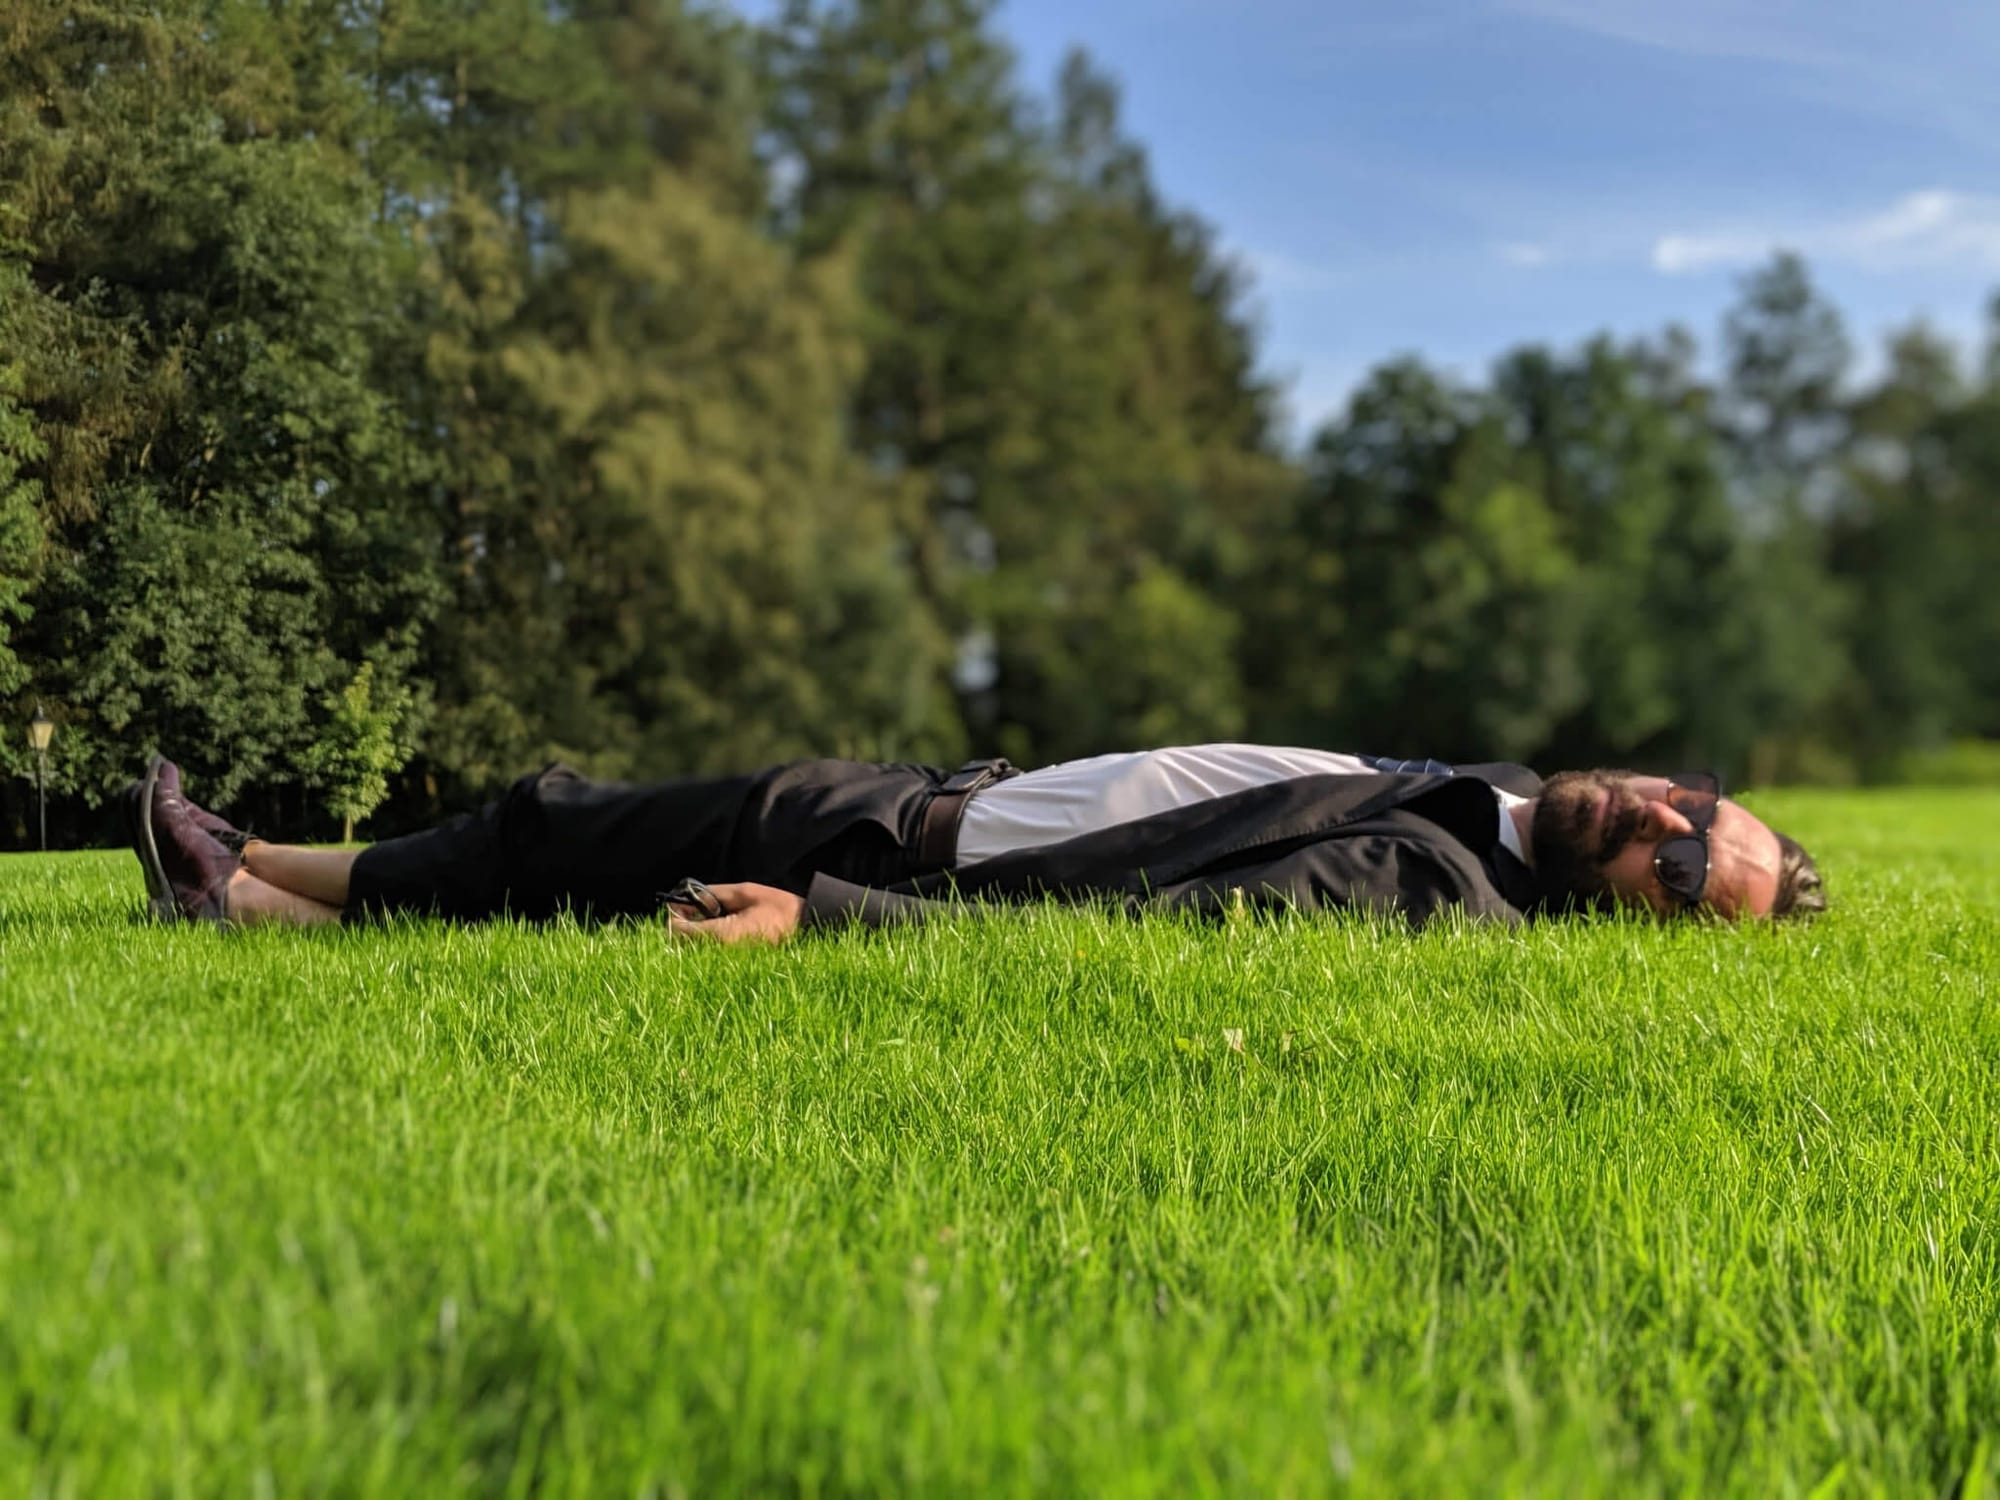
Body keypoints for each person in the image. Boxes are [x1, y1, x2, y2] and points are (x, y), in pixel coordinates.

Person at [126, 744, 1826, 944]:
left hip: (929, 850)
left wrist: (833, 921)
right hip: (962, 790)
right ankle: (258, 870)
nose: (1665, 826)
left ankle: (247, 884)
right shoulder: (1504, 798)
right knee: (564, 841)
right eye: (1699, 806)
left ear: (1642, 914)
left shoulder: (1444, 883)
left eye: (1685, 871)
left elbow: (1171, 936)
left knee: (564, 835)